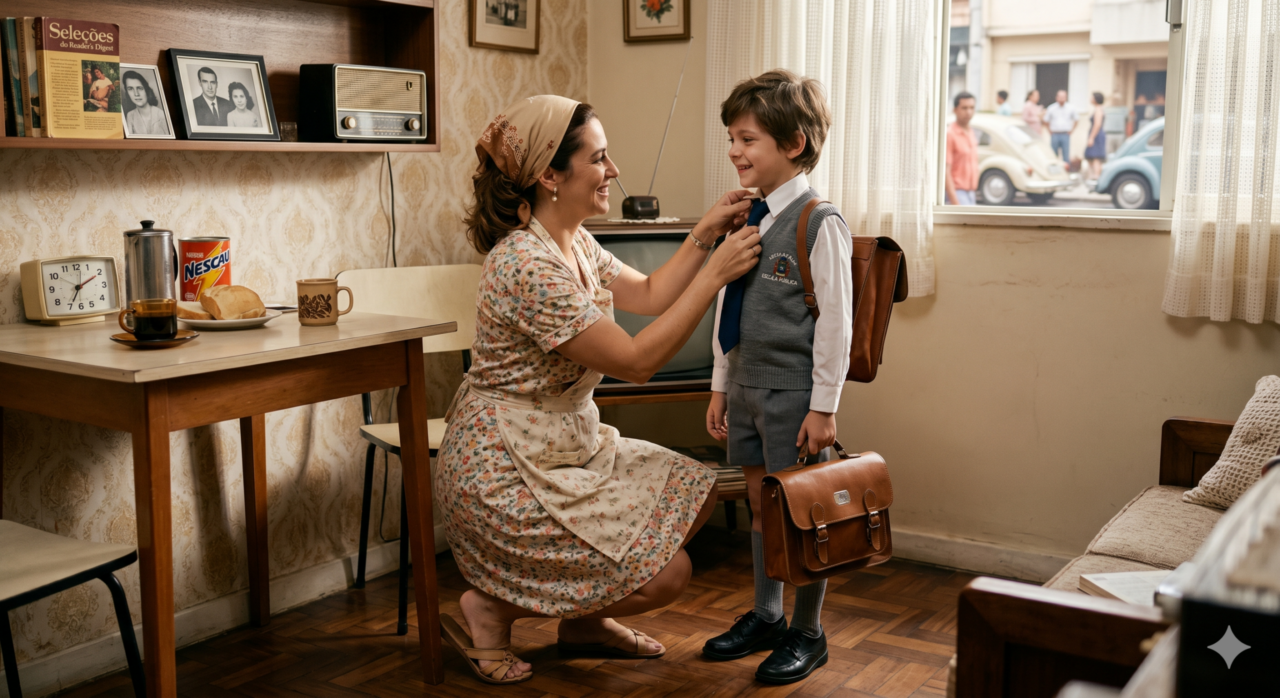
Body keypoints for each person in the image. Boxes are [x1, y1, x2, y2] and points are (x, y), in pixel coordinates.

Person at [436, 95, 763, 685]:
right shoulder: (525, 264)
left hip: (567, 445)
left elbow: (650, 294)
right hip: (506, 468)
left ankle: (584, 623)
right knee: (670, 575)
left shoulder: (575, 241)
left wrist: (704, 233)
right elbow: (636, 363)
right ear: (549, 176)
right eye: (599, 158)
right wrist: (716, 274)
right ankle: (492, 609)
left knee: (696, 494)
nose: (613, 170)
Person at [701, 69, 854, 686]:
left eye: (748, 140)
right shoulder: (746, 217)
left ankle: (808, 631)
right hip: (745, 387)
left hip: (794, 394)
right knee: (763, 511)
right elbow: (726, 302)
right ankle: (767, 615)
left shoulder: (819, 222)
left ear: (794, 143)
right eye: (731, 139)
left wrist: (824, 406)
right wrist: (720, 384)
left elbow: (835, 324)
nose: (734, 151)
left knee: (802, 515)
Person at [945, 91, 980, 206]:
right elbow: (945, 171)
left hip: (971, 192)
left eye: (972, 108)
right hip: (957, 192)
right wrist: (955, 203)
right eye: (964, 108)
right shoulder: (950, 134)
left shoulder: (971, 131)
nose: (968, 112)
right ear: (955, 110)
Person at [122, 71, 168, 135]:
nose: (136, 94)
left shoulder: (161, 114)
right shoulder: (130, 115)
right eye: (130, 89)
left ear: (146, 90)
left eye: (140, 88)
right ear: (127, 92)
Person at [1044, 89, 1078, 165]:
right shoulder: (1051, 108)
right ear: (1057, 97)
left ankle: (1066, 170)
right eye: (1060, 97)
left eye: (1063, 97)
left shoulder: (1071, 108)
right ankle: (1055, 169)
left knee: (1066, 155)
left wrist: (1072, 130)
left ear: (1066, 97)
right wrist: (1049, 130)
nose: (1062, 99)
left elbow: (1076, 119)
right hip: (1055, 134)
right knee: (1053, 154)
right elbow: (1046, 120)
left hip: (1065, 134)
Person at [1084, 91, 1107, 181]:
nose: (1090, 99)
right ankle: (1092, 176)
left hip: (1097, 135)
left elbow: (1097, 125)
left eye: (1092, 97)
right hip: (1096, 135)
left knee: (1096, 157)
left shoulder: (1098, 110)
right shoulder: (1098, 109)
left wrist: (1091, 138)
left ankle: (1096, 177)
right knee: (1091, 157)